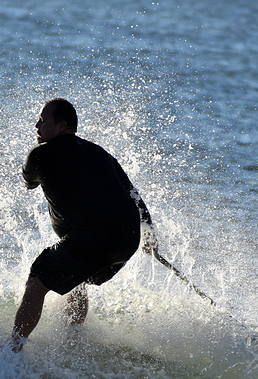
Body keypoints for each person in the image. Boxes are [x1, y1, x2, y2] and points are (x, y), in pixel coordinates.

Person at [11, 98, 157, 351]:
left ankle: (11, 352)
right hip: (127, 240)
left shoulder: (40, 154)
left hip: (91, 240)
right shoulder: (99, 153)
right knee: (77, 278)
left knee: (37, 281)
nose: (37, 126)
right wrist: (149, 235)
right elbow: (134, 196)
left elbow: (29, 182)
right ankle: (73, 342)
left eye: (43, 121)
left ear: (62, 125)